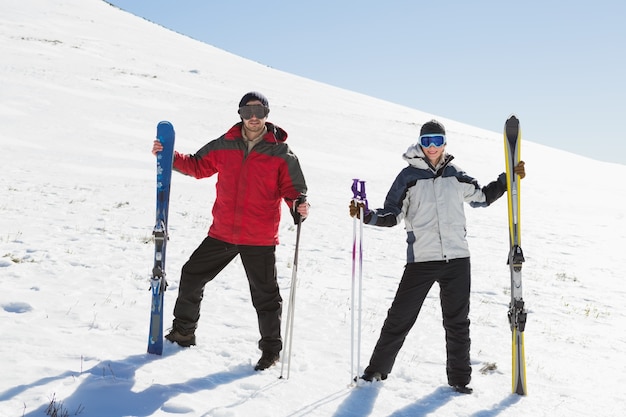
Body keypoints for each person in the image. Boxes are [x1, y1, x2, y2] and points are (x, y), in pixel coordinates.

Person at [349, 119, 525, 393]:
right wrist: (368, 216)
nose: (433, 147)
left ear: (445, 143)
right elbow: (392, 214)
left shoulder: (455, 173)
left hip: (457, 259)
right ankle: (376, 372)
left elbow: (481, 197)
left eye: (438, 141)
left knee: (457, 322)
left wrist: (507, 180)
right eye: (428, 141)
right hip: (422, 260)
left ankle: (459, 381)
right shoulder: (407, 177)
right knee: (400, 317)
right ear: (420, 143)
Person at [152, 91, 309, 371]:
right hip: (223, 232)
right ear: (240, 114)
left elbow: (293, 190)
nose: (253, 117)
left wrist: (298, 205)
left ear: (266, 114)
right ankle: (183, 332)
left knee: (265, 296)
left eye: (259, 112)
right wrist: (168, 156)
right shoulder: (224, 145)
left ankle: (271, 350)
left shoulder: (281, 153)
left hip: (258, 237)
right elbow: (198, 166)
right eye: (247, 111)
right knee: (191, 275)